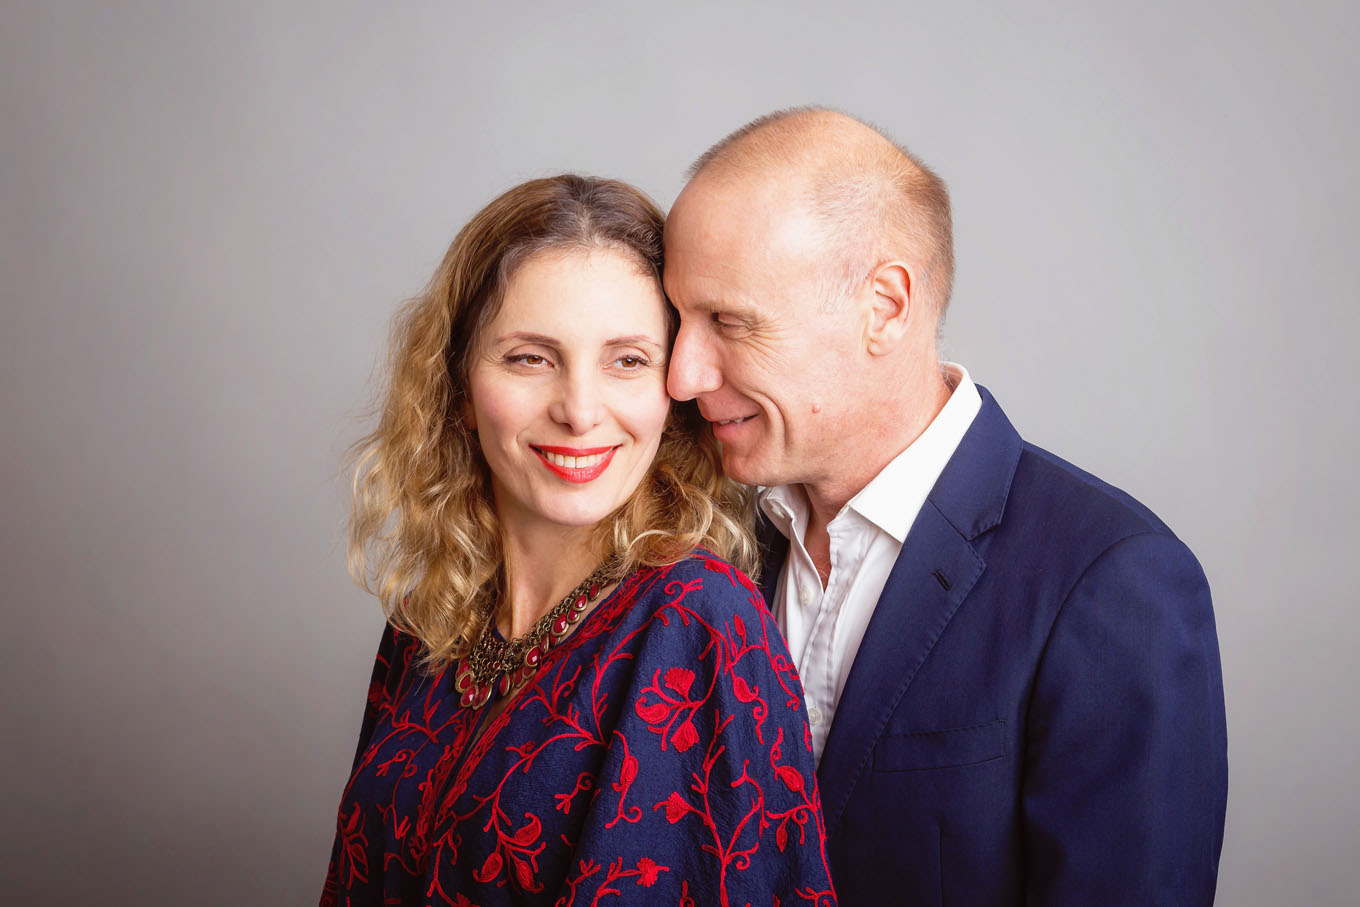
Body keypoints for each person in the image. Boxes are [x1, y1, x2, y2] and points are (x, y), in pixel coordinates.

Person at [663, 108, 1228, 905]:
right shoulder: (703, 556)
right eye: (677, 320)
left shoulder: (1109, 581)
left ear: (885, 306)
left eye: (728, 321)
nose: (681, 375)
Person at [321, 175, 836, 906]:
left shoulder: (698, 622)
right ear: (461, 388)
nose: (581, 410)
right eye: (531, 357)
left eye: (627, 360)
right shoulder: (427, 618)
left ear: (673, 387)